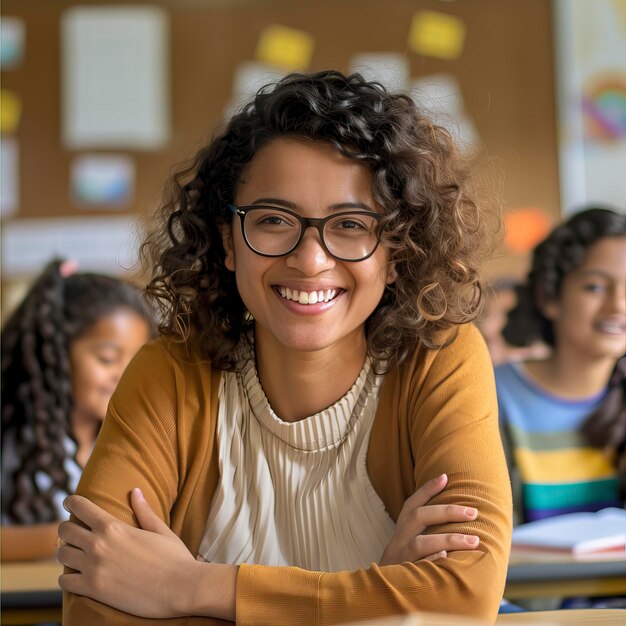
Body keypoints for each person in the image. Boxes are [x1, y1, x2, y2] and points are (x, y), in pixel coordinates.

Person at [57, 70, 512, 625]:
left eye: (350, 224)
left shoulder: (439, 360)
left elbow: (463, 598)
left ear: (396, 251)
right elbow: (94, 598)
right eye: (273, 220)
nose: (310, 259)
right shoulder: (167, 376)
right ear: (227, 241)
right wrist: (378, 595)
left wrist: (191, 586)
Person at [1, 259, 153, 561]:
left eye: (136, 362)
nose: (124, 375)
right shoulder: (16, 445)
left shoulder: (129, 443)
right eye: (107, 359)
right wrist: (79, 536)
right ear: (58, 352)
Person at [496, 207, 626, 525]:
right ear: (549, 296)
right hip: (526, 575)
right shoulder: (492, 394)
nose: (618, 305)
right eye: (595, 287)